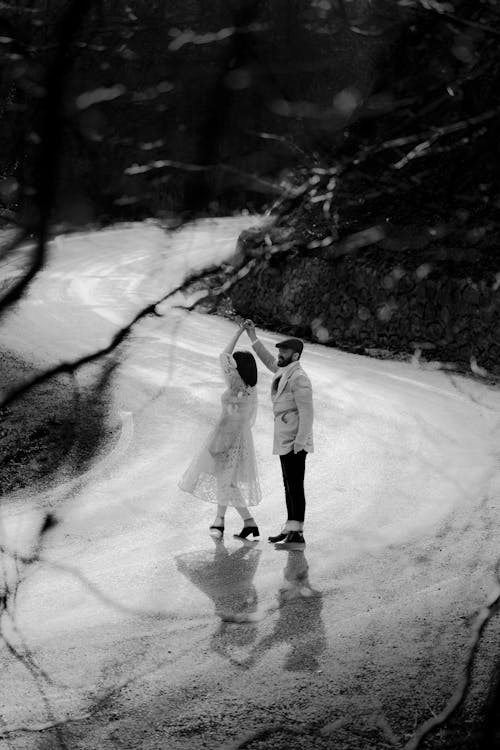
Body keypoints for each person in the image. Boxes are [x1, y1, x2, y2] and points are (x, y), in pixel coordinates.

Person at [179, 323, 261, 541]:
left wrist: (220, 445)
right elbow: (224, 356)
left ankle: (223, 522)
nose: (231, 367)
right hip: (232, 437)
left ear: (239, 369)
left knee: (226, 482)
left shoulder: (240, 388)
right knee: (227, 483)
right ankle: (246, 523)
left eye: (235, 365)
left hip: (229, 438)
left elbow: (224, 355)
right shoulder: (243, 387)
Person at [243, 320, 313, 549]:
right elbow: (268, 360)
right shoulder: (284, 370)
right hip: (284, 439)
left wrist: (300, 443)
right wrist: (253, 336)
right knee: (288, 485)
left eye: (285, 351)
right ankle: (290, 528)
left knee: (295, 486)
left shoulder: (299, 378)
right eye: (280, 350)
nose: (280, 354)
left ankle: (298, 533)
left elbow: (307, 414)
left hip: (294, 441)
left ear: (295, 355)